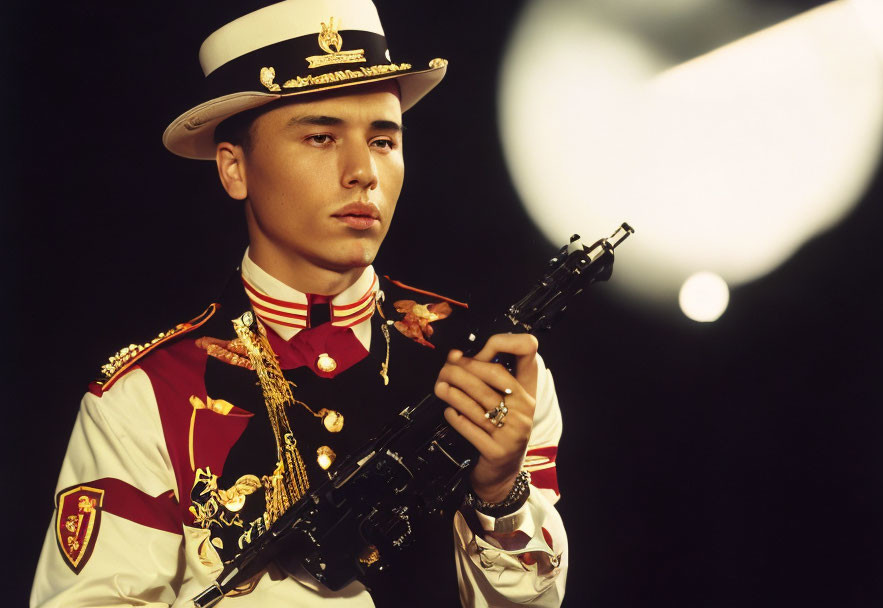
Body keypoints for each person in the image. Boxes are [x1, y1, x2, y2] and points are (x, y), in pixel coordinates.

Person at [30, 1, 567, 606]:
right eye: (320, 136)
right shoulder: (147, 397)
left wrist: (500, 493)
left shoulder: (488, 367)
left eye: (384, 140)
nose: (363, 171)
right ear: (235, 170)